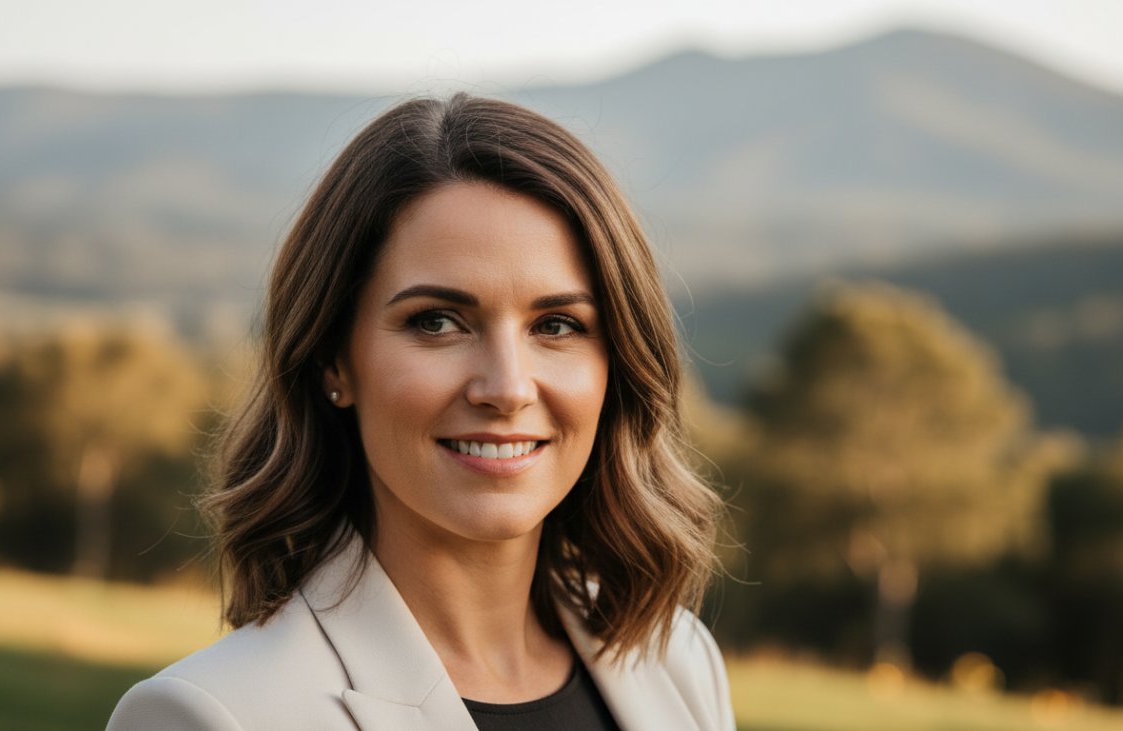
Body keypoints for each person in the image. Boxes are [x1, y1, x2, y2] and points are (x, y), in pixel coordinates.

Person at [107, 93, 732, 731]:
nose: (508, 388)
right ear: (333, 360)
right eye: (437, 322)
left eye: (556, 325)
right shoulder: (212, 714)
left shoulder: (680, 662)